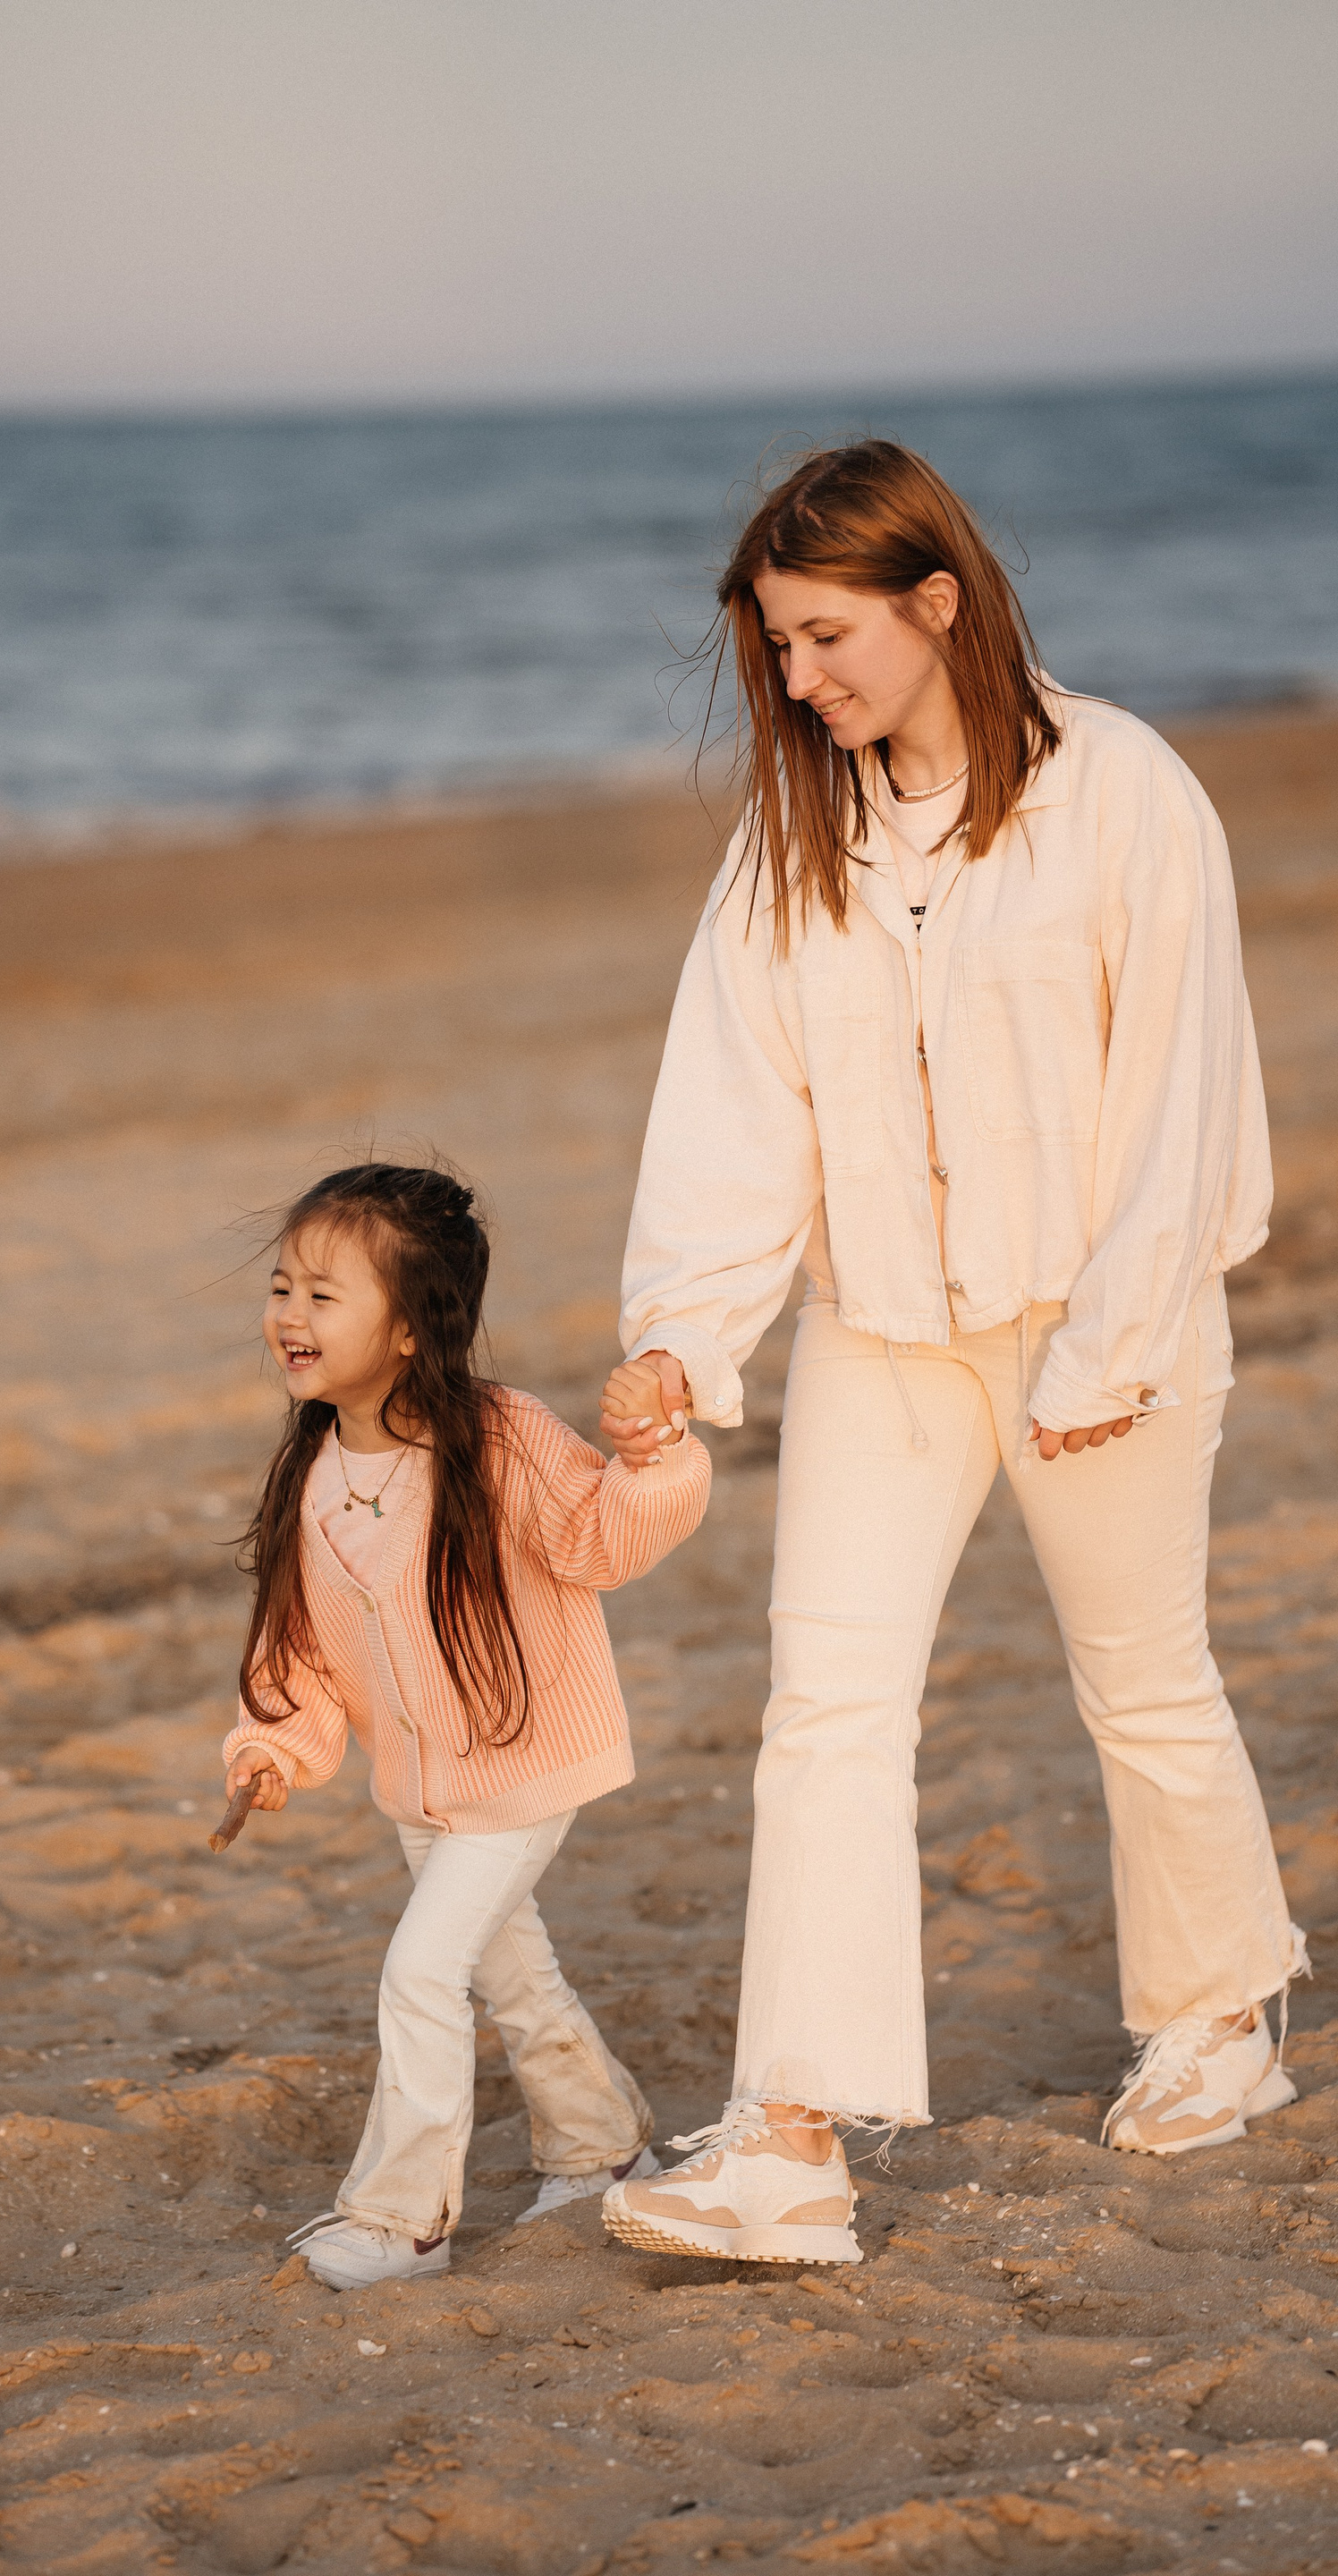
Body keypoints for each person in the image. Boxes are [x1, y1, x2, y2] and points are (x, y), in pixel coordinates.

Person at [599, 439, 1305, 2272]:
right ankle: (789, 2142)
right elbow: (739, 1101)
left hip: (1100, 1319)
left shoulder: (1124, 789)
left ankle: (1222, 2024)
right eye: (776, 647)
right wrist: (684, 1330)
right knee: (825, 1708)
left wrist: (1113, 1348)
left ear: (937, 600)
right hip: (884, 1333)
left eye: (824, 637)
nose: (798, 679)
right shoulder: (794, 840)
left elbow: (1183, 1093)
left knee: (1141, 1683)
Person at [220, 1160, 710, 2290]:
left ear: (409, 1328)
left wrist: (652, 1460)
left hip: (523, 1765)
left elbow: (598, 1540)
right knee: (515, 1979)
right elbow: (294, 1648)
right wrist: (271, 1747)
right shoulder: (311, 1473)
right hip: (422, 1788)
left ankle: (403, 2223)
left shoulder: (500, 1435)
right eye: (283, 1288)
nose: (290, 1315)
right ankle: (602, 2147)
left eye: (324, 1294)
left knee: (419, 1973)